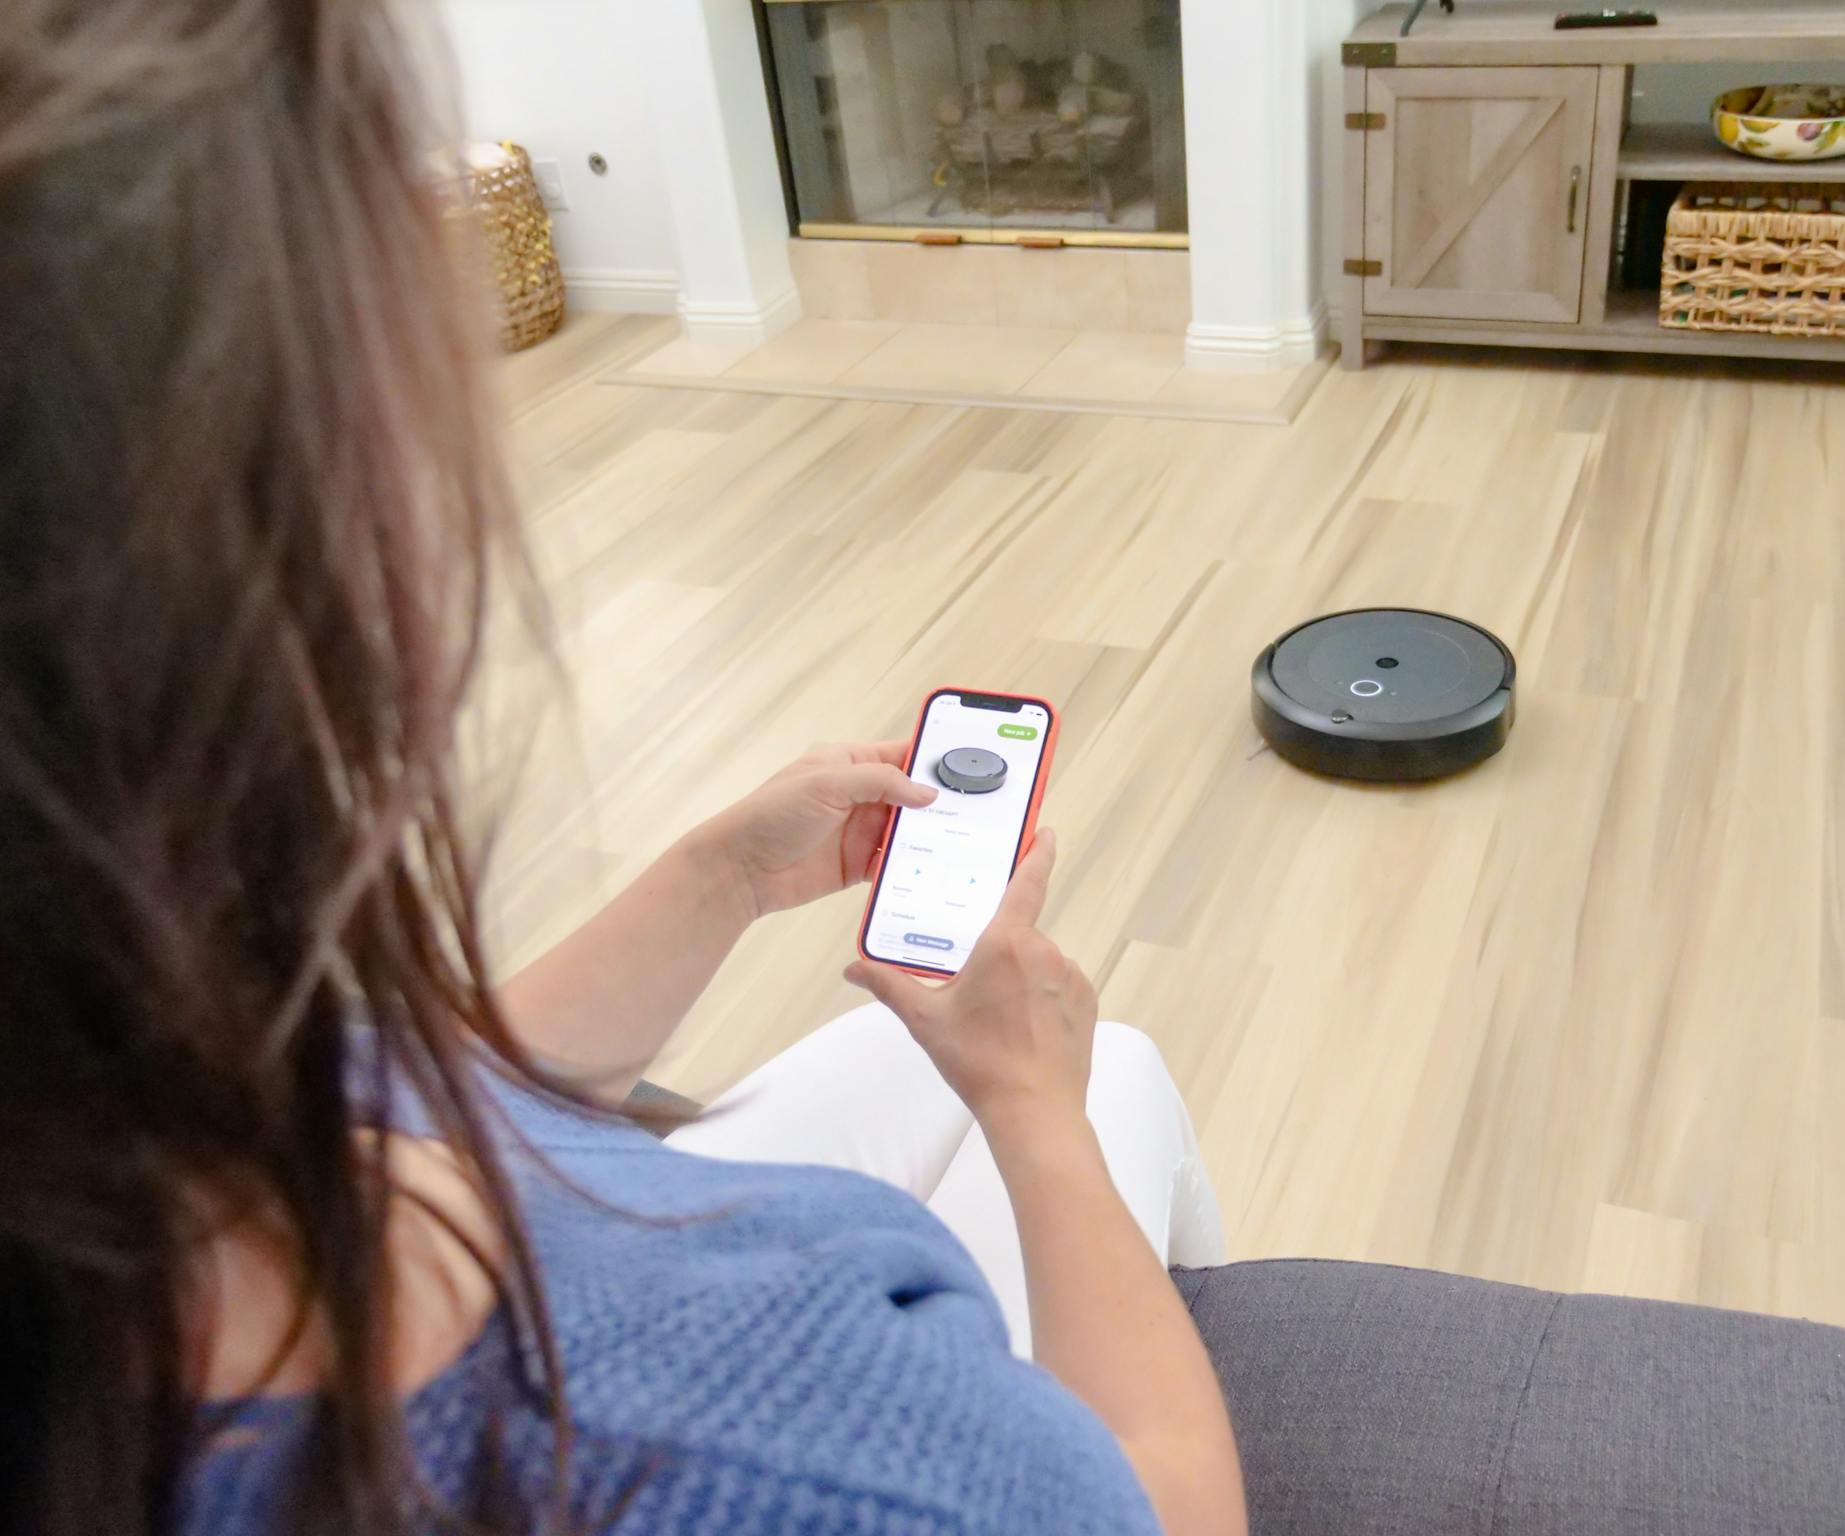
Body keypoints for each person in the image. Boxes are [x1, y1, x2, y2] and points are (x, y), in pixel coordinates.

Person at [0, 3, 1245, 1535]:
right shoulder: (767, 1452)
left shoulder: (125, 1063)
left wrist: (719, 876)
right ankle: (1210, 1305)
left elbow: (422, 1090)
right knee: (1107, 1068)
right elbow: (1163, 1515)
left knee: (940, 1053)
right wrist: (1032, 1108)